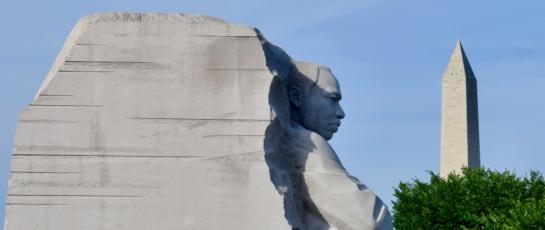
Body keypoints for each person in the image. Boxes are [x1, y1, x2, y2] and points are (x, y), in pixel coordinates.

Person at [264, 61, 393, 230]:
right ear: (296, 96)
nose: (341, 113)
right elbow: (370, 221)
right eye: (332, 99)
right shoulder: (306, 143)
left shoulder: (286, 141)